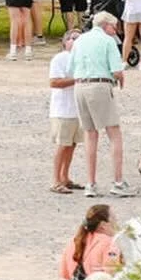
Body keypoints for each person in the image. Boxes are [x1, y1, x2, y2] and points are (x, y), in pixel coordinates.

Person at [68, 11, 133, 198]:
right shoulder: (107, 41)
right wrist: (120, 78)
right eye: (114, 27)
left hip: (80, 86)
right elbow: (116, 69)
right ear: (106, 26)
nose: (116, 31)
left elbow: (71, 68)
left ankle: (91, 183)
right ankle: (118, 181)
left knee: (90, 133)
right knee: (114, 132)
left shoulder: (80, 40)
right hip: (100, 85)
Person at [48, 27, 83, 194]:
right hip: (63, 109)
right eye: (73, 38)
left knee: (72, 144)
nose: (76, 41)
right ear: (65, 42)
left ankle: (65, 177)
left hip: (77, 109)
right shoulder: (60, 59)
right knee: (62, 144)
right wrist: (76, 80)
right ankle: (55, 180)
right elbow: (54, 82)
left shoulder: (82, 58)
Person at [59, 203, 121, 279]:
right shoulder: (109, 243)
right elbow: (113, 274)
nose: (117, 224)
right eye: (114, 220)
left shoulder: (75, 241)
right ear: (103, 225)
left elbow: (64, 274)